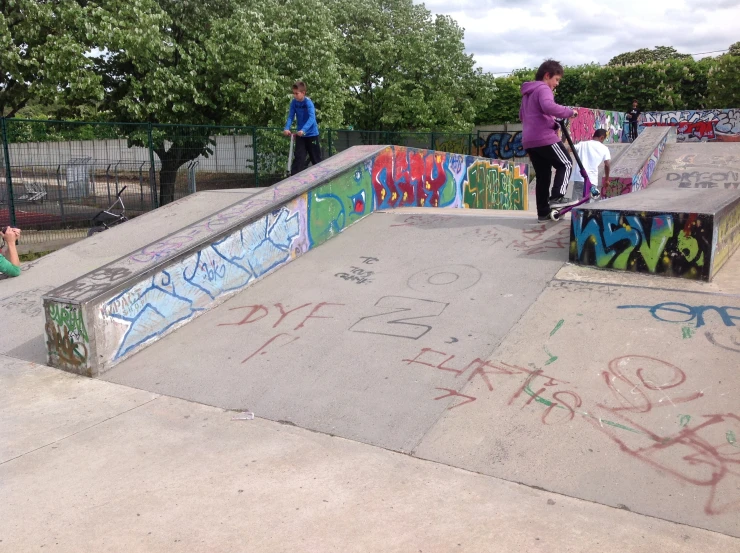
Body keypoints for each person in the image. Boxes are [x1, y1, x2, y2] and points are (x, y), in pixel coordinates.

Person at [519, 59, 579, 222]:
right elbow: (548, 106)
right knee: (565, 163)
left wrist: (552, 121)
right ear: (547, 75)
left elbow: (523, 116)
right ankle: (557, 198)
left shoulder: (527, 93)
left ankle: (543, 213)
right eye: (556, 79)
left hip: (529, 140)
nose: (557, 84)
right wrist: (569, 112)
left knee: (543, 175)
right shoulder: (543, 88)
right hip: (544, 137)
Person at [283, 81, 322, 175]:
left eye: (297, 93)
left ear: (303, 93)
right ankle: (294, 180)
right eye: (294, 93)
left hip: (312, 134)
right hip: (301, 135)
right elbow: (291, 116)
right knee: (299, 158)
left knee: (315, 158)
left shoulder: (308, 103)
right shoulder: (294, 103)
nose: (295, 96)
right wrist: (286, 128)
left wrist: (303, 130)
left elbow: (312, 118)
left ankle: (321, 177)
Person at [571, 129, 611, 200]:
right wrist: (607, 179)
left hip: (579, 178)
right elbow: (607, 164)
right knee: (589, 205)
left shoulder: (582, 144)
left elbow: (569, 149)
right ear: (601, 137)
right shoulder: (605, 148)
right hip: (592, 180)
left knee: (575, 203)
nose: (603, 142)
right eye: (603, 139)